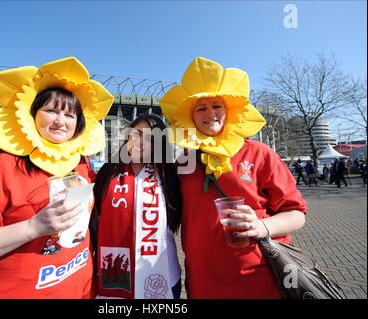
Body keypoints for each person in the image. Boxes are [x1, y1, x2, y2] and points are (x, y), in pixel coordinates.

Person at [0, 57, 114, 298]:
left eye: (70, 115)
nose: (61, 121)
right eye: (51, 111)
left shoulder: (80, 162)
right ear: (32, 114)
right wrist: (34, 226)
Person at [160, 57, 307, 298]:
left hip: (258, 279)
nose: (210, 114)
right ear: (191, 117)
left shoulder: (260, 153)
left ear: (229, 111)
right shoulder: (183, 162)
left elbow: (297, 214)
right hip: (202, 283)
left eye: (217, 106)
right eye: (201, 108)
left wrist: (262, 226)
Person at [92, 114, 183, 299]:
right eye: (137, 133)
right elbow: (95, 214)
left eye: (151, 138)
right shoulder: (108, 170)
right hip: (114, 270)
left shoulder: (169, 174)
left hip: (162, 272)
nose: (140, 142)